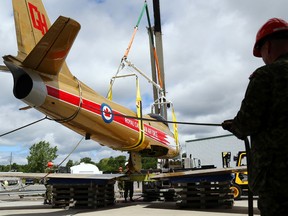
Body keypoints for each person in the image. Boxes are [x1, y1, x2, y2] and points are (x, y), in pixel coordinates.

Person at [222, 18, 288, 216]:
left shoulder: (266, 75)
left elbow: (246, 124)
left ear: (267, 47)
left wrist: (233, 126)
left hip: (278, 180)